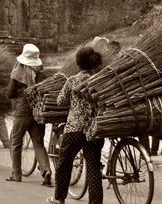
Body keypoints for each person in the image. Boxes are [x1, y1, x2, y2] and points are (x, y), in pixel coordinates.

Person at [47, 47, 105, 204]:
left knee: (64, 163)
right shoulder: (101, 80)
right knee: (93, 168)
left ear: (78, 63)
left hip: (74, 129)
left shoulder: (72, 80)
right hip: (94, 129)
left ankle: (59, 198)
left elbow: (61, 101)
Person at [6, 43, 52, 185]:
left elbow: (10, 93)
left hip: (22, 112)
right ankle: (46, 171)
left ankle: (17, 174)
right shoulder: (42, 74)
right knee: (38, 143)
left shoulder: (17, 73)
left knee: (16, 143)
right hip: (38, 113)